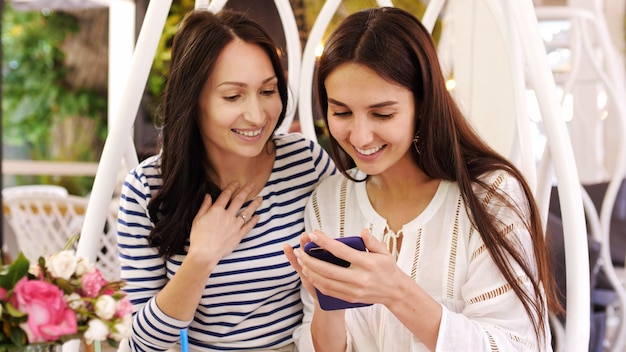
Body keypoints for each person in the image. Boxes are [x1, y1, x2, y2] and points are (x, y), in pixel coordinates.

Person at [283, 6, 561, 352]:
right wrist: (328, 304)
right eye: (341, 112)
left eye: (382, 113)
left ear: (424, 105)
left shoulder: (491, 197)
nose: (359, 136)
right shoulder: (328, 202)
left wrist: (396, 291)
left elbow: (518, 346)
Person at [116, 8, 335, 352]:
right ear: (193, 100)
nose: (256, 115)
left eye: (267, 91)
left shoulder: (305, 162)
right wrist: (201, 258)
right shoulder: (147, 189)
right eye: (233, 96)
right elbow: (141, 345)